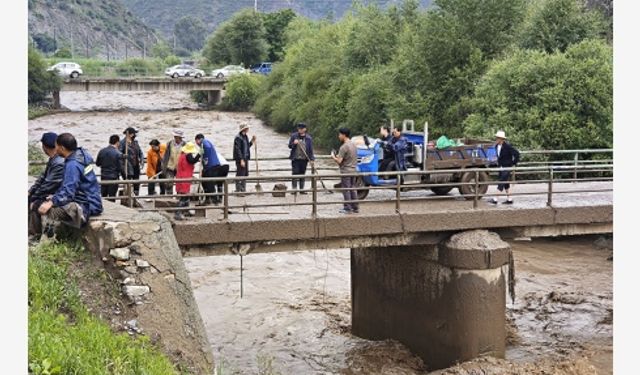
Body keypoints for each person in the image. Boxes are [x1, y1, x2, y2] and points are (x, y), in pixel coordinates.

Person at [37, 133, 103, 232]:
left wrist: (52, 202)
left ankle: (46, 243)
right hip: (93, 200)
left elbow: (68, 192)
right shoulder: (81, 155)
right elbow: (70, 187)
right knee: (53, 201)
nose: (55, 149)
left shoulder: (72, 165)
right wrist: (55, 196)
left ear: (62, 148)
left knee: (50, 211)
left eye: (56, 146)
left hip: (86, 205)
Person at [28, 132, 65, 237]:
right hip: (54, 192)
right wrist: (30, 191)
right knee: (30, 198)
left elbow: (48, 185)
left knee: (35, 204)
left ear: (44, 146)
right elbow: (42, 178)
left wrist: (34, 197)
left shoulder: (59, 162)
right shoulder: (54, 159)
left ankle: (34, 235)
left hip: (58, 194)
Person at [331, 127, 359, 214]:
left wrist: (333, 156)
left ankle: (347, 208)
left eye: (339, 134)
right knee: (353, 188)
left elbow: (339, 161)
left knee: (346, 189)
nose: (338, 136)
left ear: (343, 135)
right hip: (354, 170)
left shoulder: (344, 147)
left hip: (346, 171)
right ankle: (355, 207)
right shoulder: (353, 145)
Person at [195, 133, 227, 205]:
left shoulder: (203, 143)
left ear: (198, 140)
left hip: (211, 167)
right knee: (205, 182)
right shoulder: (208, 142)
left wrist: (196, 158)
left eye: (196, 141)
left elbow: (204, 150)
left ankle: (214, 200)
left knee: (209, 183)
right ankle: (209, 199)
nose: (196, 144)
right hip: (213, 166)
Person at [490, 130, 520, 205]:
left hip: (507, 167)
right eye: (496, 138)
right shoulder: (496, 146)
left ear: (502, 139)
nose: (496, 139)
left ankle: (495, 199)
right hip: (501, 167)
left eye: (498, 138)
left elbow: (517, 154)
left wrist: (513, 163)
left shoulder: (508, 147)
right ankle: (509, 199)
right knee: (505, 183)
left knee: (501, 182)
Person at [174, 142, 201, 220]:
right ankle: (178, 213)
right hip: (184, 178)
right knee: (184, 196)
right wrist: (199, 154)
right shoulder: (188, 156)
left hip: (182, 177)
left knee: (186, 195)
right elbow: (192, 161)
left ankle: (185, 211)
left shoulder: (182, 155)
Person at [288, 122, 315, 194]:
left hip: (304, 159)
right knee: (295, 173)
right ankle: (294, 190)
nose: (300, 130)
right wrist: (294, 143)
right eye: (299, 128)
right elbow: (290, 146)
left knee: (302, 174)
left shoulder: (308, 138)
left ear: (305, 129)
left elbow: (310, 150)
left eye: (301, 129)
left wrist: (312, 159)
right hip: (295, 159)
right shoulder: (294, 136)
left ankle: (301, 190)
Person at [96, 134, 123, 199]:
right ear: (117, 142)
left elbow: (97, 163)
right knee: (112, 197)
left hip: (103, 176)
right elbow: (120, 167)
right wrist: (125, 177)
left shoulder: (102, 151)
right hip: (113, 178)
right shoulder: (118, 153)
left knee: (103, 197)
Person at [119, 127, 144, 196]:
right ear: (131, 134)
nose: (135, 135)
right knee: (128, 183)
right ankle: (128, 197)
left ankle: (136, 195)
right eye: (134, 133)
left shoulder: (135, 142)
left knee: (136, 182)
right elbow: (119, 153)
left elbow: (140, 152)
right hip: (127, 166)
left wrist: (141, 160)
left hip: (136, 165)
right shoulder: (122, 143)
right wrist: (124, 156)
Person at [233, 123, 256, 194]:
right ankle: (238, 190)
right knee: (240, 174)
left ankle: (243, 190)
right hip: (241, 159)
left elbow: (247, 147)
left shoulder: (245, 136)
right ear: (244, 129)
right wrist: (241, 160)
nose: (248, 129)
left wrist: (252, 141)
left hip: (245, 158)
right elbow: (238, 150)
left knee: (245, 174)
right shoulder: (238, 137)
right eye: (247, 128)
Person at [162, 129, 186, 196]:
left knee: (180, 183)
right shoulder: (169, 144)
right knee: (169, 183)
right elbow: (166, 156)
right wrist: (164, 167)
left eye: (179, 137)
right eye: (176, 136)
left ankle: (179, 197)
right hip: (170, 166)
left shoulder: (184, 144)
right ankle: (169, 198)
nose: (177, 138)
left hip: (180, 167)